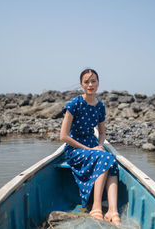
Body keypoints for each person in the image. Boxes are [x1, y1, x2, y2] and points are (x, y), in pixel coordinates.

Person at [60, 68, 121, 226]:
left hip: (93, 146)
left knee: (111, 161)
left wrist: (100, 145)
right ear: (81, 84)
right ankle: (96, 207)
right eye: (86, 81)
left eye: (93, 81)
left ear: (98, 83)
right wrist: (89, 149)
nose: (90, 84)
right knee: (105, 158)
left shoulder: (100, 106)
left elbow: (101, 133)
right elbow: (63, 136)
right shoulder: (74, 104)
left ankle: (113, 210)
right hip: (75, 149)